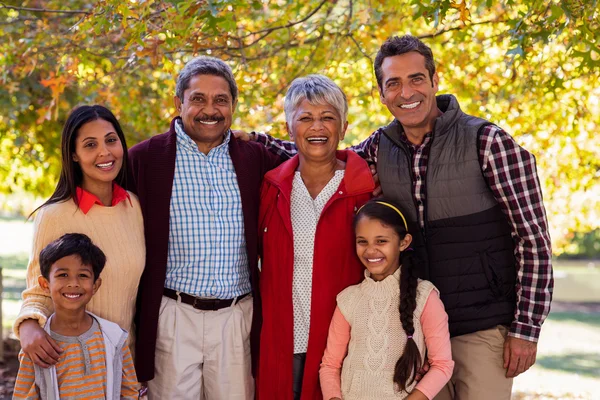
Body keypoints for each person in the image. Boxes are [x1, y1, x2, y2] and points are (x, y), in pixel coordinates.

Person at [248, 35, 553, 400]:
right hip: (410, 329)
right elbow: (323, 153)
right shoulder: (380, 147)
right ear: (382, 93)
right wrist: (251, 140)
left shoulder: (486, 142)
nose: (406, 92)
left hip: (481, 327)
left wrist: (526, 328)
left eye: (416, 79)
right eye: (394, 83)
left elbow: (533, 238)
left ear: (435, 81)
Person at [127, 56, 280, 399]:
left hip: (236, 317)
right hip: (173, 316)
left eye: (220, 100)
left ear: (233, 106)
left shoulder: (254, 158)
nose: (209, 109)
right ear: (178, 102)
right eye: (198, 99)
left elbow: (309, 161)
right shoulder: (143, 159)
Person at [257, 74, 375, 400]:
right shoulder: (272, 189)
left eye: (327, 117)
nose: (317, 127)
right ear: (288, 128)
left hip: (345, 345)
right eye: (306, 118)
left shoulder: (364, 191)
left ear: (344, 127)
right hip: (282, 342)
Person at [13, 105, 145, 371]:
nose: (104, 152)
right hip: (73, 365)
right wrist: (28, 326)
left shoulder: (133, 207)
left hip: (125, 364)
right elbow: (39, 290)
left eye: (111, 140)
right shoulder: (55, 215)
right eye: (90, 144)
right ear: (73, 154)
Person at [319, 199, 454, 400]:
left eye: (381, 241)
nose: (370, 250)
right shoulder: (348, 300)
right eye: (362, 241)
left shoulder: (425, 297)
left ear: (404, 242)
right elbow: (330, 365)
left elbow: (442, 364)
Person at [13, 233, 139, 399]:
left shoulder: (114, 338)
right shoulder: (37, 346)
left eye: (83, 275)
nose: (73, 283)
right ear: (45, 284)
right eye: (63, 275)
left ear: (95, 285)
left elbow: (129, 391)